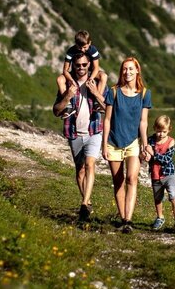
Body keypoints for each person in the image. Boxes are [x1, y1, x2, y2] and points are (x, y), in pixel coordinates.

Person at [53, 51, 106, 222]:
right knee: (80, 170)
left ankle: (84, 203)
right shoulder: (67, 83)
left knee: (90, 164)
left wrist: (96, 93)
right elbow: (56, 111)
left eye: (84, 64)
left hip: (94, 130)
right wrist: (68, 95)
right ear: (73, 66)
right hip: (74, 132)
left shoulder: (96, 82)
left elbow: (108, 109)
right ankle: (88, 202)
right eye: (78, 65)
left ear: (89, 64)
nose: (81, 68)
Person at [102, 56, 152, 233]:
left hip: (133, 143)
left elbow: (143, 122)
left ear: (137, 71)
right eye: (125, 69)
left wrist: (145, 145)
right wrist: (103, 144)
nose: (127, 72)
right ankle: (123, 219)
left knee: (132, 178)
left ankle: (128, 220)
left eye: (131, 69)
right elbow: (107, 119)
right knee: (118, 181)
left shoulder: (145, 94)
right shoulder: (113, 92)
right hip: (113, 142)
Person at [142, 115, 175, 232]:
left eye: (164, 131)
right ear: (154, 128)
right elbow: (146, 152)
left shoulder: (171, 142)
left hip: (169, 174)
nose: (161, 134)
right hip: (155, 174)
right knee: (157, 198)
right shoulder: (150, 140)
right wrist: (145, 155)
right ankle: (160, 217)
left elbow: (167, 159)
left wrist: (153, 153)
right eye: (159, 131)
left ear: (169, 130)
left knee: (173, 196)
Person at [57, 31, 106, 118]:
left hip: (91, 72)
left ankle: (96, 102)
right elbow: (65, 70)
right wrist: (71, 80)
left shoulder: (93, 50)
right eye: (80, 47)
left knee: (104, 76)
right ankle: (68, 106)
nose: (83, 50)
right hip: (74, 72)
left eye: (85, 47)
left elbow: (96, 68)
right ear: (76, 44)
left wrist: (91, 78)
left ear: (89, 43)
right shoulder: (71, 51)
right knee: (59, 79)